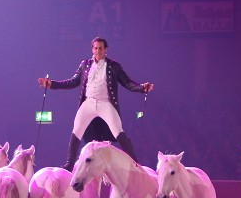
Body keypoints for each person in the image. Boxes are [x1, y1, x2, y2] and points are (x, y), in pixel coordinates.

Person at [38, 37, 154, 170]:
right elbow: (73, 81)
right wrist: (52, 84)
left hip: (105, 103)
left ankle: (135, 163)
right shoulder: (85, 64)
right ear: (92, 49)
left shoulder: (113, 66)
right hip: (88, 103)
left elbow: (127, 82)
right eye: (95, 48)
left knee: (118, 130)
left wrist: (141, 88)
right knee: (76, 130)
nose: (98, 51)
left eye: (100, 48)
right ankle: (69, 164)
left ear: (105, 50)